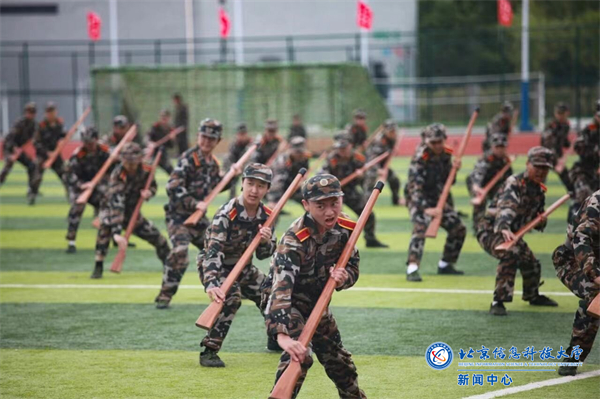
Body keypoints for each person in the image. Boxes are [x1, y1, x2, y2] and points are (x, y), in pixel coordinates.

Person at [263, 174, 367, 399]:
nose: (329, 212)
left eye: (334, 203)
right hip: (286, 301)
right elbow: (281, 289)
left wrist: (343, 277)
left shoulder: (347, 227)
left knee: (339, 362)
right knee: (300, 354)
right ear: (306, 205)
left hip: (317, 302)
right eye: (320, 205)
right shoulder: (294, 240)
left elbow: (353, 267)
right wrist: (281, 335)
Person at [198, 163, 276, 367]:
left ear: (267, 189)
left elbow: (263, 255)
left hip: (244, 267)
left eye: (260, 186)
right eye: (250, 183)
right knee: (230, 297)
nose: (254, 190)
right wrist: (212, 283)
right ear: (242, 183)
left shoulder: (267, 215)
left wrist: (267, 241)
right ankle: (209, 350)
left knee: (269, 291)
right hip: (218, 267)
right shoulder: (226, 214)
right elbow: (212, 252)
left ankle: (275, 337)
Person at [155, 118, 239, 309]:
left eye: (211, 138)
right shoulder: (188, 158)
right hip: (180, 218)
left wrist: (231, 176)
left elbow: (218, 185)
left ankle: (227, 290)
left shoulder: (212, 162)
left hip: (199, 220)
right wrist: (194, 203)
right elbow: (172, 186)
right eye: (203, 137)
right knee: (180, 253)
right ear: (198, 136)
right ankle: (165, 295)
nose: (206, 141)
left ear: (217, 141)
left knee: (219, 250)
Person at [476, 146, 559, 316]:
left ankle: (532, 295)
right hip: (492, 230)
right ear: (528, 164)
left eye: (545, 168)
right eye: (537, 166)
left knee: (532, 263)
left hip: (512, 234)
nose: (541, 171)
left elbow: (536, 221)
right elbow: (507, 207)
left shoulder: (538, 191)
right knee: (510, 254)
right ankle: (498, 301)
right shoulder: (514, 183)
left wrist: (541, 221)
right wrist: (504, 226)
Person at [92, 142, 170, 279]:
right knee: (104, 232)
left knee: (158, 238)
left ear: (139, 159)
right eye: (127, 163)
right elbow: (117, 204)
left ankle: (169, 266)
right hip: (111, 210)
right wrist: (116, 234)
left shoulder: (147, 169)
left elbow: (153, 186)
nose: (130, 166)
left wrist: (149, 193)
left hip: (132, 211)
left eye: (133, 163)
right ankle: (98, 265)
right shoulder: (118, 175)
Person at [404, 123, 466, 282]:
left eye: (440, 142)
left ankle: (446, 264)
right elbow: (414, 189)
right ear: (426, 141)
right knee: (420, 226)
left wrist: (454, 169)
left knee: (458, 227)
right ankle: (412, 268)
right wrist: (425, 209)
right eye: (433, 143)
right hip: (418, 199)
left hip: (438, 198)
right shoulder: (420, 158)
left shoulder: (446, 155)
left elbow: (447, 182)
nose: (437, 146)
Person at [553, 189, 600, 376]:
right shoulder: (597, 203)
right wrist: (595, 275)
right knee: (594, 295)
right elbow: (581, 240)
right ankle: (573, 356)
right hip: (573, 260)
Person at [321, 133, 388, 248]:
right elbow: (322, 177)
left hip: (350, 190)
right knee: (333, 218)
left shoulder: (358, 158)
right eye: (339, 149)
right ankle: (329, 244)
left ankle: (370, 239)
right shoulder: (332, 159)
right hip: (333, 193)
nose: (341, 151)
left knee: (368, 214)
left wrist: (361, 175)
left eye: (344, 148)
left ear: (350, 146)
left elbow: (369, 177)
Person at [64, 127, 112, 254]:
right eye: (85, 143)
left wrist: (103, 182)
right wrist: (81, 185)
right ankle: (71, 241)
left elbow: (114, 169)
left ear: (96, 140)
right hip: (80, 186)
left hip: (97, 185)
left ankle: (109, 236)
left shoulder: (105, 151)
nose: (88, 145)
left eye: (90, 142)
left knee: (108, 202)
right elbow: (69, 175)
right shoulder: (78, 155)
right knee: (77, 208)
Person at [466, 133, 513, 229]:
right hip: (479, 184)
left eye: (502, 147)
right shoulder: (486, 159)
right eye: (497, 147)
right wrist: (477, 187)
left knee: (504, 199)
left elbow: (509, 177)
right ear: (492, 147)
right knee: (480, 201)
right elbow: (478, 173)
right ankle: (477, 226)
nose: (500, 150)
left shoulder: (506, 161)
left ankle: (502, 224)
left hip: (495, 185)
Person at [0, 102, 40, 204]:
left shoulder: (34, 125)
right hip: (10, 147)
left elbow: (33, 141)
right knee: (8, 165)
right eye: (29, 112)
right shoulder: (20, 123)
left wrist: (32, 154)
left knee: (32, 166)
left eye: (32, 112)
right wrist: (13, 151)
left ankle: (31, 191)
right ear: (25, 112)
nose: (30, 114)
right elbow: (10, 139)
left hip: (20, 149)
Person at [568, 101, 599, 223]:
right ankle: (573, 223)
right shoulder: (589, 130)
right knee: (583, 198)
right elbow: (578, 147)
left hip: (597, 174)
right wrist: (596, 151)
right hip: (584, 172)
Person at [32, 102, 68, 195]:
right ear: (46, 113)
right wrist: (46, 153)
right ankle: (33, 193)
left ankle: (71, 194)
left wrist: (66, 136)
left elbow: (62, 136)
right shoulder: (41, 126)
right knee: (37, 176)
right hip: (43, 154)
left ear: (56, 112)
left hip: (55, 154)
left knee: (65, 174)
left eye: (52, 111)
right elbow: (36, 142)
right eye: (48, 112)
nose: (51, 114)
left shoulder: (59, 124)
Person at [363, 119, 401, 206]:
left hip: (383, 164)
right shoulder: (379, 141)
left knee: (395, 181)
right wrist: (378, 170)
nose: (393, 133)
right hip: (372, 164)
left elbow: (391, 151)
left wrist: (393, 151)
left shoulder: (393, 138)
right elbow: (372, 158)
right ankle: (366, 205)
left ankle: (396, 200)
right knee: (370, 183)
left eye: (394, 131)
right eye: (391, 131)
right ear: (385, 131)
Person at [267, 136, 310, 208]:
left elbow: (304, 177)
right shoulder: (281, 161)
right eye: (297, 152)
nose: (299, 154)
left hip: (294, 186)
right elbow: (277, 182)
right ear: (291, 150)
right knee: (274, 208)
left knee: (310, 202)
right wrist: (274, 200)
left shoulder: (304, 159)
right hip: (274, 189)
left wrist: (302, 183)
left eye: (301, 152)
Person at [541, 102, 573, 192]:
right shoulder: (551, 126)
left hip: (558, 156)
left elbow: (563, 141)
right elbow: (548, 144)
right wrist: (557, 159)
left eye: (562, 113)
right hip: (546, 157)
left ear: (567, 113)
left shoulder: (565, 126)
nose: (560, 116)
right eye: (558, 113)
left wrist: (570, 144)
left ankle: (574, 198)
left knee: (568, 180)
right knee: (540, 180)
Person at [224, 122, 252, 199]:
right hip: (236, 166)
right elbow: (230, 157)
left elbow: (253, 158)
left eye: (244, 134)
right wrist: (233, 168)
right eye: (240, 134)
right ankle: (232, 196)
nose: (242, 136)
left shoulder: (251, 144)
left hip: (248, 166)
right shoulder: (234, 145)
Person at [146, 109, 175, 174]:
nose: (163, 119)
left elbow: (171, 146)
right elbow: (148, 137)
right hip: (154, 153)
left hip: (163, 154)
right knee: (148, 171)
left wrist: (172, 139)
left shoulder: (170, 130)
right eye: (162, 117)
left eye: (165, 117)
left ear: (169, 118)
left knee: (172, 172)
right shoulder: (155, 127)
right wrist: (150, 144)